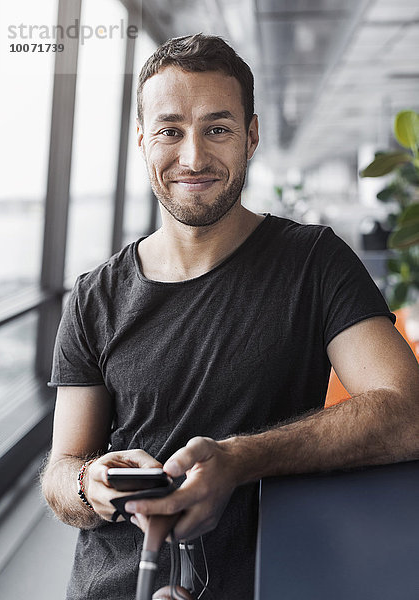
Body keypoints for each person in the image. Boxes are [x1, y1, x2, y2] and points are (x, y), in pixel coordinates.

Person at [41, 33, 419, 599]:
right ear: (143, 141)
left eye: (217, 128)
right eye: (170, 131)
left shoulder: (313, 262)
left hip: (267, 580)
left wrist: (237, 460)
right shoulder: (95, 295)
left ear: (252, 136)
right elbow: (60, 471)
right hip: (115, 585)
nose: (192, 157)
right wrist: (87, 484)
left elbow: (407, 412)